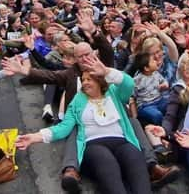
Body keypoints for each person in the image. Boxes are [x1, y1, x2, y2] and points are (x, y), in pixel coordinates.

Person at [15, 55, 152, 194]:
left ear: (100, 81)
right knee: (107, 162)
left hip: (122, 141)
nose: (85, 82)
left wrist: (107, 71)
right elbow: (63, 128)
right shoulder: (77, 101)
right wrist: (34, 137)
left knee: (135, 157)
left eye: (89, 79)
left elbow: (128, 84)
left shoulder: (114, 93)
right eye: (83, 80)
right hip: (94, 145)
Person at [134, 51, 169, 125]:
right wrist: (134, 112)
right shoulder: (138, 80)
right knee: (157, 115)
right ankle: (161, 128)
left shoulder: (156, 73)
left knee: (170, 104)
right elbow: (132, 95)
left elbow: (164, 81)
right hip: (146, 105)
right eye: (153, 61)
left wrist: (165, 85)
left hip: (159, 100)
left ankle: (169, 123)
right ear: (146, 68)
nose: (156, 61)